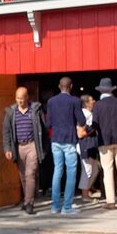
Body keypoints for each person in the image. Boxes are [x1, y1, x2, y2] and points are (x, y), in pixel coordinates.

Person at [1, 86, 46, 215]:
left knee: (30, 173)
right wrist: (7, 148)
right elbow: (6, 132)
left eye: (22, 98)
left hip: (32, 145)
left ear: (27, 97)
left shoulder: (35, 110)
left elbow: (43, 129)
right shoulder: (11, 112)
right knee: (22, 175)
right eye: (17, 98)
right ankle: (27, 199)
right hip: (18, 147)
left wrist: (44, 148)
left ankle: (29, 203)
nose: (20, 101)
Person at [45, 77, 85, 214]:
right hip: (69, 139)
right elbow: (82, 120)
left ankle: (55, 206)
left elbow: (48, 123)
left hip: (55, 139)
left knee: (57, 171)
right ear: (71, 86)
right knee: (71, 173)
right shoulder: (75, 101)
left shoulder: (51, 101)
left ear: (59, 86)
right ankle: (67, 207)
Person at [91, 77, 117, 209]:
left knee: (108, 170)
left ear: (101, 91)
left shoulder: (97, 105)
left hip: (104, 140)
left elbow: (94, 124)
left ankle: (111, 201)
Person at [77, 94, 102, 203]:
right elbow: (80, 133)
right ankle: (84, 194)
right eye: (92, 100)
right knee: (87, 169)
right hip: (85, 144)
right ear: (86, 103)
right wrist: (93, 128)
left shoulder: (90, 114)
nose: (94, 101)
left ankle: (87, 190)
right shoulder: (84, 114)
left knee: (95, 169)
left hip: (91, 144)